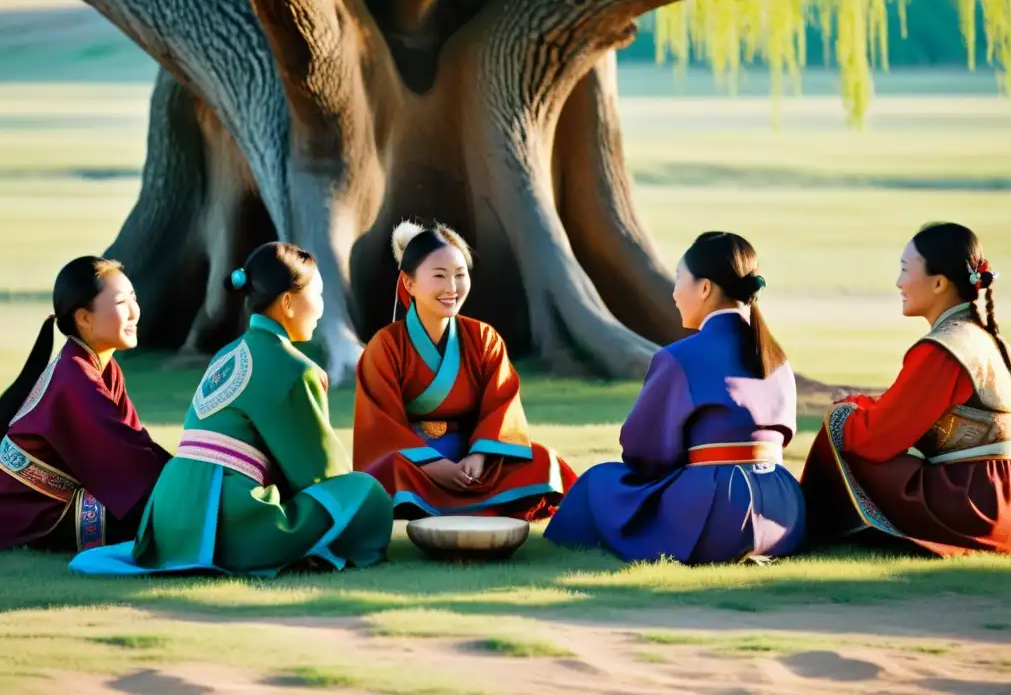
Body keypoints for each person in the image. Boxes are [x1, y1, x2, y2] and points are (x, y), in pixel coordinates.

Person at [69, 242, 394, 576]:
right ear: (288, 303)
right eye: (319, 296)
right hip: (229, 522)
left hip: (169, 517)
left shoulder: (226, 354)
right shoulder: (296, 369)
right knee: (366, 494)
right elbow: (319, 474)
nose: (322, 309)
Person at [544, 232, 806, 564]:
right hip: (784, 512)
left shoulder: (679, 357)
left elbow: (644, 453)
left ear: (705, 287)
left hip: (722, 513)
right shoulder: (776, 357)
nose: (674, 292)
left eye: (679, 279)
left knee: (601, 481)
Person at [800, 223, 1011, 556]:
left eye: (905, 270)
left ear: (938, 283)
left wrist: (847, 410)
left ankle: (808, 532)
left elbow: (879, 436)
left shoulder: (944, 349)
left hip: (976, 506)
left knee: (842, 425)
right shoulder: (995, 342)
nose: (898, 282)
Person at [352, 221, 577, 520]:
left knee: (542, 460)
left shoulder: (484, 339)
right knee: (389, 473)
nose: (452, 287)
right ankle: (469, 502)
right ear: (409, 284)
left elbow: (501, 406)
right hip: (415, 463)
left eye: (460, 275)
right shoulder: (386, 346)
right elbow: (381, 424)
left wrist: (480, 455)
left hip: (473, 460)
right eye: (439, 276)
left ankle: (445, 501)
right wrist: (433, 464)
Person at [0, 257, 171, 553]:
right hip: (38, 514)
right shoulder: (76, 377)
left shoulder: (99, 365)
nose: (134, 312)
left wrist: (185, 472)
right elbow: (128, 462)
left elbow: (134, 444)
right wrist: (188, 481)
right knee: (155, 516)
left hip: (53, 501)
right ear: (84, 318)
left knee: (161, 505)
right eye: (120, 303)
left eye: (134, 298)